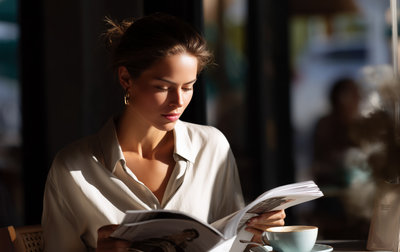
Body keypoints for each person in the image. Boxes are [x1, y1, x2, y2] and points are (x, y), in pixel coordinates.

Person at [41, 13, 285, 251]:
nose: (178, 101)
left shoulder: (212, 146)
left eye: (188, 87)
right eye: (162, 87)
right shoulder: (73, 168)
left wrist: (255, 232)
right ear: (126, 78)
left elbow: (234, 244)